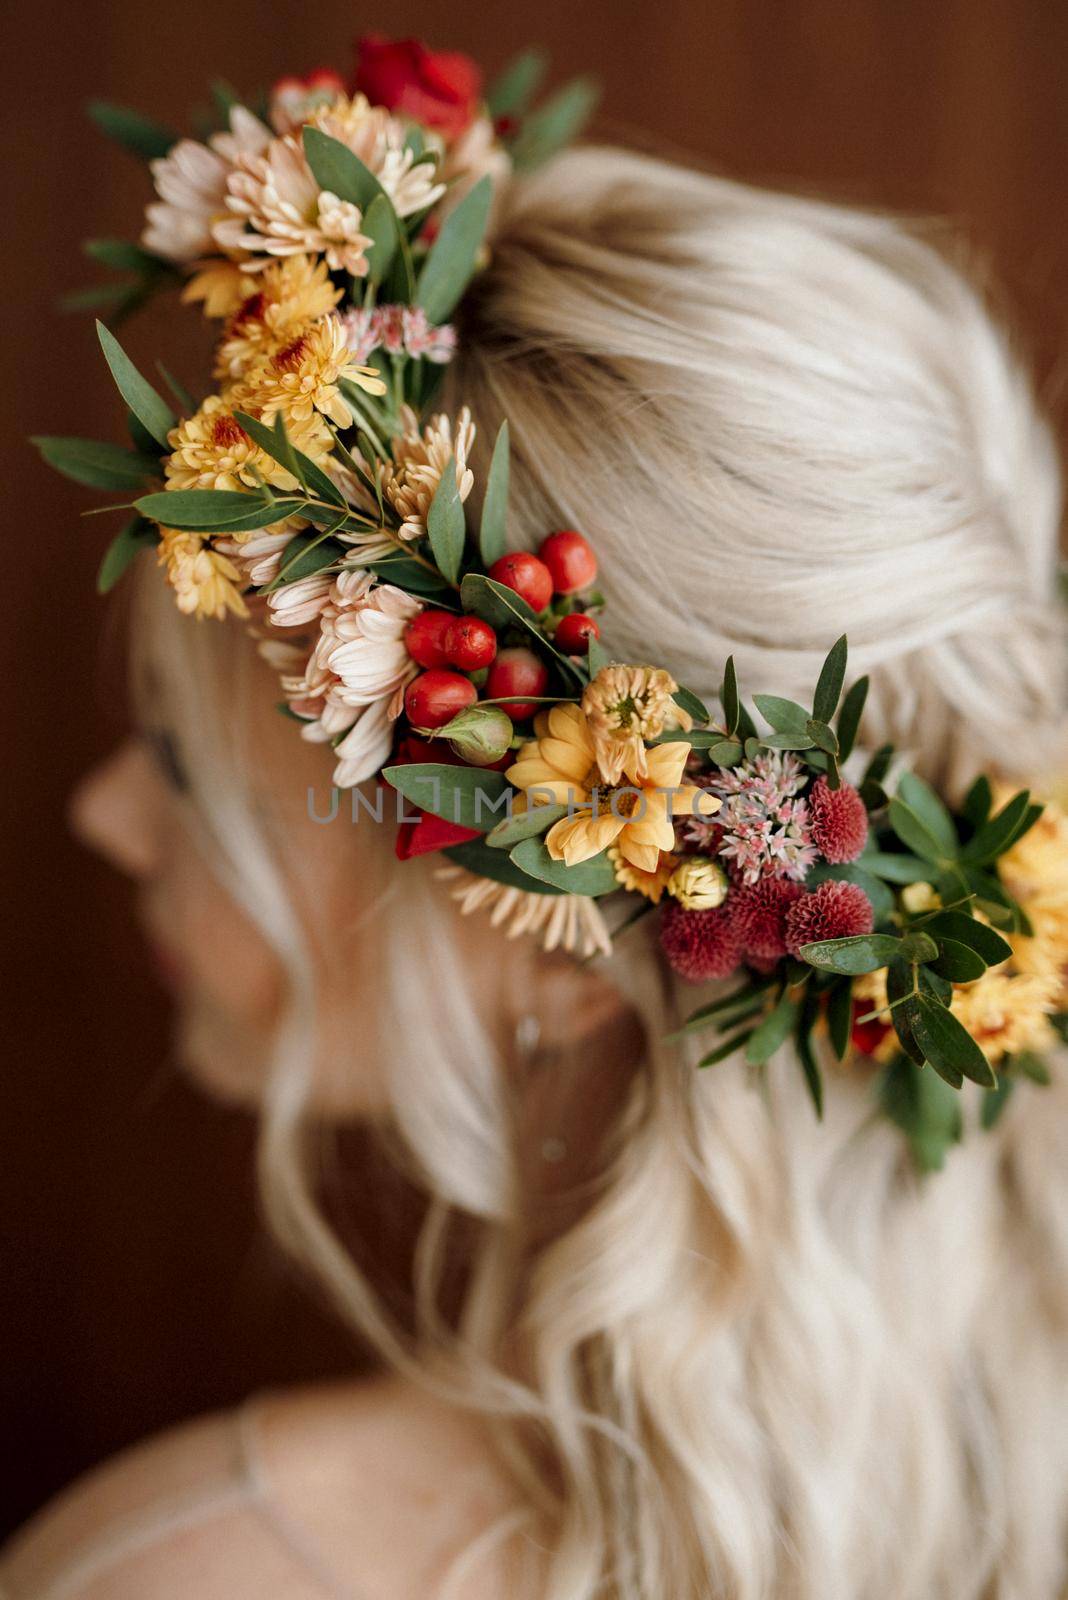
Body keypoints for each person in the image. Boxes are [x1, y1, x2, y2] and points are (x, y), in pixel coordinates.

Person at [4, 143, 1067, 1600]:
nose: (102, 814)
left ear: (557, 941)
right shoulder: (1010, 1454)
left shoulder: (207, 1569)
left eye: (189, 773)